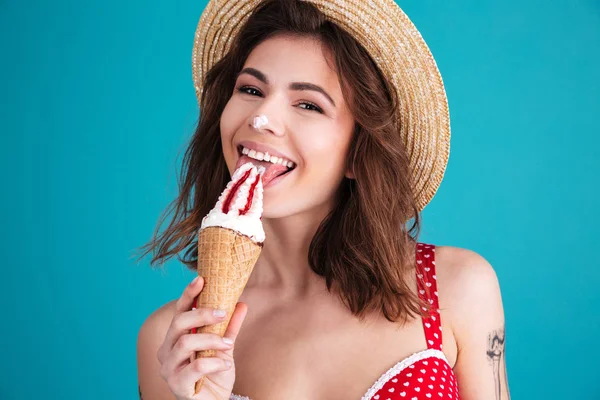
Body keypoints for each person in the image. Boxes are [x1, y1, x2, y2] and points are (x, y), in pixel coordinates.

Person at [135, 0, 511, 399]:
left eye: (308, 104)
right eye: (250, 89)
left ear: (356, 152)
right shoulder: (175, 342)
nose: (261, 118)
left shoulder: (456, 288)